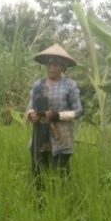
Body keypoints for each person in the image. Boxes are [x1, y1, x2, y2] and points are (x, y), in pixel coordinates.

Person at [26, 44, 83, 183]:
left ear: (62, 66)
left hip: (61, 137)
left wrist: (57, 116)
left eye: (56, 64)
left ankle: (63, 201)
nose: (52, 67)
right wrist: (31, 115)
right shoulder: (38, 85)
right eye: (49, 63)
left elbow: (79, 111)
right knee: (38, 175)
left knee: (60, 176)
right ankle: (40, 203)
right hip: (39, 136)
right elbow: (30, 106)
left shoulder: (69, 85)